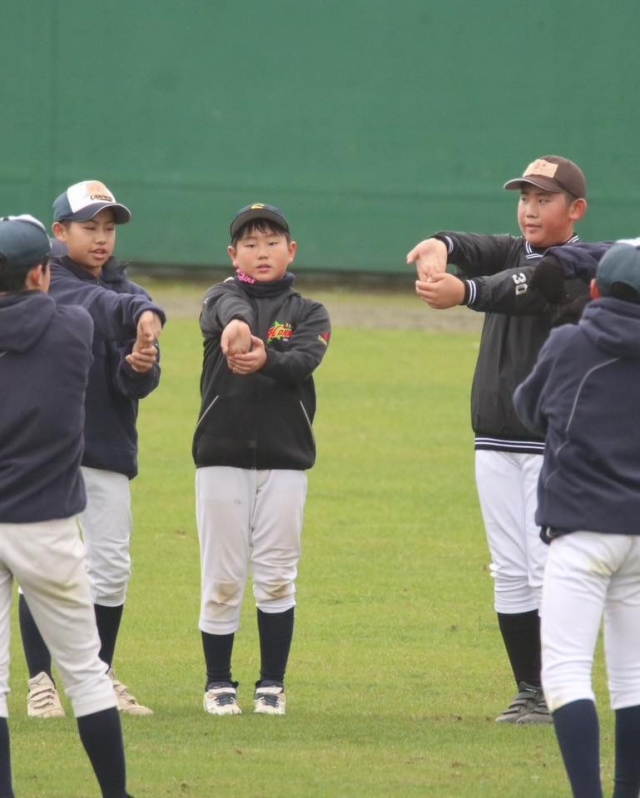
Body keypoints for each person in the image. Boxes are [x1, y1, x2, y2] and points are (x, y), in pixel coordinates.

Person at [406, 156, 589, 724]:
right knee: (509, 571)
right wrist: (438, 246)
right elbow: (467, 244)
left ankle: (560, 690)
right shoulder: (513, 249)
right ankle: (530, 691)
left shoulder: (577, 266)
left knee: (549, 569)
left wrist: (463, 290)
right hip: (493, 438)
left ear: (576, 209)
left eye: (544, 199)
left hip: (550, 442)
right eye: (525, 198)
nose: (530, 209)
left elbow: (520, 289)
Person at [0, 214, 142, 797]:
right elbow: (93, 309)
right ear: (41, 272)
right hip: (45, 522)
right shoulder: (73, 327)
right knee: (85, 672)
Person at [18, 180, 165, 719]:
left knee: (111, 567)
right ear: (60, 232)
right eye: (89, 227)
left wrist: (138, 365)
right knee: (43, 566)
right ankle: (40, 682)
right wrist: (142, 312)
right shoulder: (47, 282)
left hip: (107, 446)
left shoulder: (129, 293)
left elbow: (136, 385)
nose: (101, 238)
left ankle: (100, 675)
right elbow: (93, 305)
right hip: (49, 449)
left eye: (109, 228)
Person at [192, 203, 331, 716]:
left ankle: (272, 684)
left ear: (291, 250)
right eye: (250, 244)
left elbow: (303, 360)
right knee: (223, 578)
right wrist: (236, 327)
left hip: (285, 460)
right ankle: (217, 683)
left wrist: (265, 358)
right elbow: (225, 308)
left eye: (272, 242)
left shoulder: (310, 312)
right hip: (221, 457)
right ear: (234, 255)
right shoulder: (219, 298)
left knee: (276, 575)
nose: (262, 252)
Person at [513, 243, 640, 798]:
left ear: (594, 291)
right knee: (633, 678)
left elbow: (527, 409)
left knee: (566, 672)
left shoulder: (571, 343)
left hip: (582, 530)